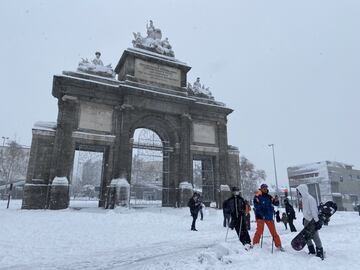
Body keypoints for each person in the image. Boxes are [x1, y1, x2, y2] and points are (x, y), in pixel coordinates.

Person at [253, 183, 284, 251]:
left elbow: (276, 203)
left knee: (273, 232)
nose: (265, 189)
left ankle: (279, 245)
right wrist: (262, 213)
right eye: (263, 188)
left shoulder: (269, 197)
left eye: (266, 188)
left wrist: (276, 200)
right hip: (260, 217)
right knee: (259, 231)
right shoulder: (257, 196)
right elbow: (256, 206)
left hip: (269, 216)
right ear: (261, 188)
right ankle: (255, 244)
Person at [296, 184, 324, 259]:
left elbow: (314, 211)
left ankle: (320, 252)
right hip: (306, 220)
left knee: (315, 237)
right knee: (306, 237)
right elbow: (305, 210)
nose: (298, 193)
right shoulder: (303, 199)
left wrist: (317, 221)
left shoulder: (310, 199)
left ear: (303, 190)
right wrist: (304, 218)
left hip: (312, 221)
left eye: (299, 191)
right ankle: (311, 250)